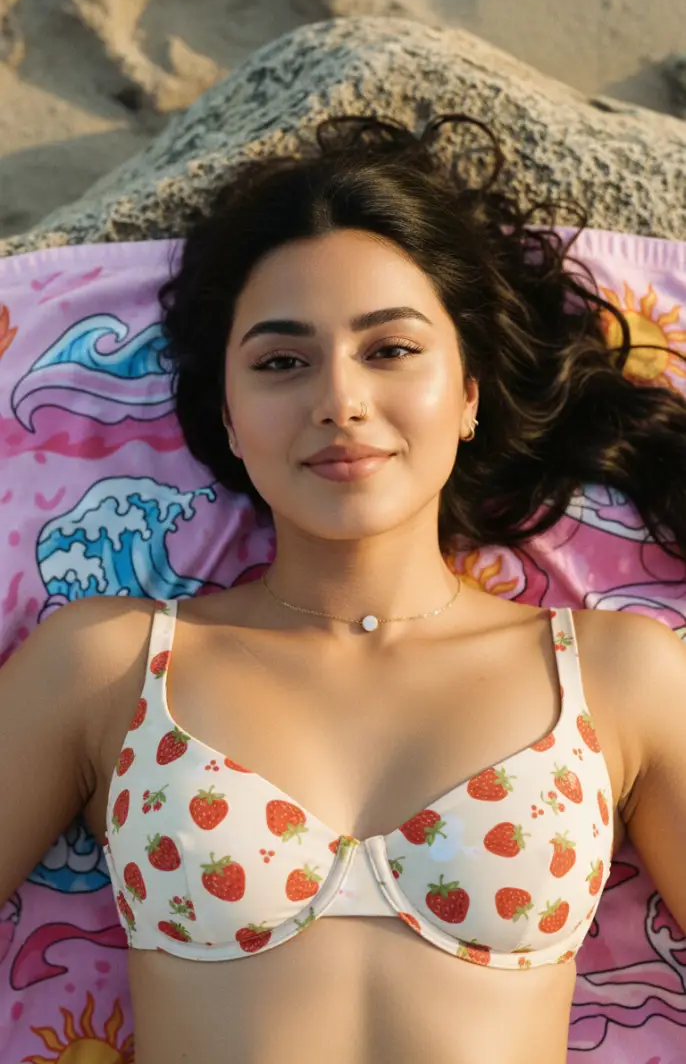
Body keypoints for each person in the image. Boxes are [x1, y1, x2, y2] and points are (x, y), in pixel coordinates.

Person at [1, 113, 685, 1064]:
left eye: (391, 350)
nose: (340, 399)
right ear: (230, 419)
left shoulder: (618, 675)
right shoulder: (109, 663)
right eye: (282, 362)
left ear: (471, 391)